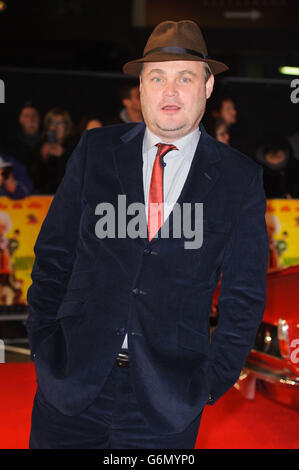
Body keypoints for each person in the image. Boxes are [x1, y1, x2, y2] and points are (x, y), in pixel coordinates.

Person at [27, 20, 268, 449]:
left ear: (208, 86)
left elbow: (244, 296)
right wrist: (45, 347)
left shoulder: (239, 179)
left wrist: (209, 383)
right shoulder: (95, 152)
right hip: (70, 389)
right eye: (157, 77)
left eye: (185, 78)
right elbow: (52, 255)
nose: (170, 91)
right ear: (140, 87)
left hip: (166, 405)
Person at [29, 107, 76, 194]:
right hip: (43, 199)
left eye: (59, 123)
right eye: (52, 123)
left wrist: (63, 156)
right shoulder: (39, 147)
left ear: (67, 126)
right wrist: (42, 158)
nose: (55, 128)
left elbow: (74, 179)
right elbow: (33, 181)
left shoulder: (74, 147)